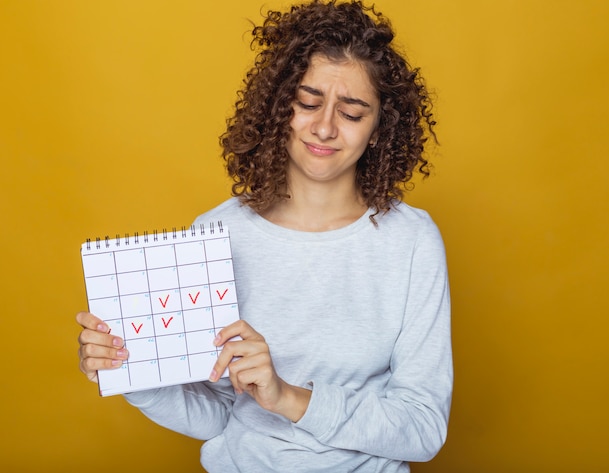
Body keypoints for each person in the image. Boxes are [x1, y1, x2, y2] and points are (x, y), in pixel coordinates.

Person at [76, 1, 453, 471]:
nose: (323, 127)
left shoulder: (412, 242)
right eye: (309, 102)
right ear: (280, 106)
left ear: (379, 129)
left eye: (352, 113)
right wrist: (132, 372)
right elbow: (220, 415)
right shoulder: (218, 233)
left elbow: (422, 428)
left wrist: (287, 397)